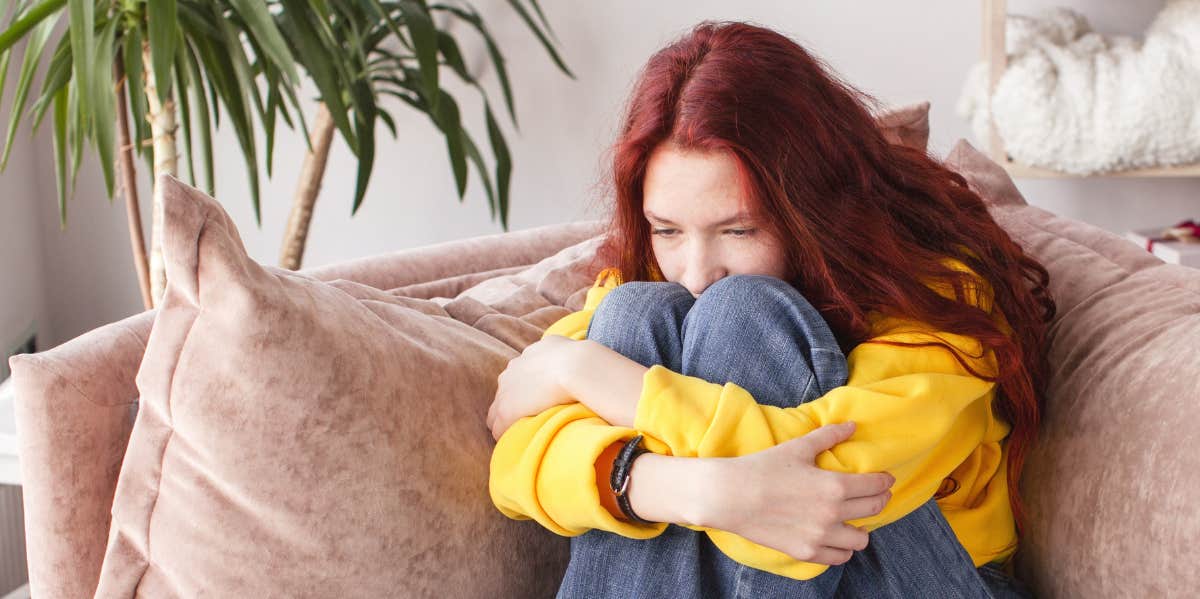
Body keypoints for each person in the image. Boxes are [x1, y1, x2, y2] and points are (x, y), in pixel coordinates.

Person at [485, 21, 1054, 599]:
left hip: (926, 579)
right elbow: (511, 466)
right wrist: (687, 489)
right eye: (667, 229)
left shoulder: (935, 297)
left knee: (742, 316)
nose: (697, 271)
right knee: (637, 313)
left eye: (738, 229)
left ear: (812, 209)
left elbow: (813, 502)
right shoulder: (651, 284)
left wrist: (579, 371)